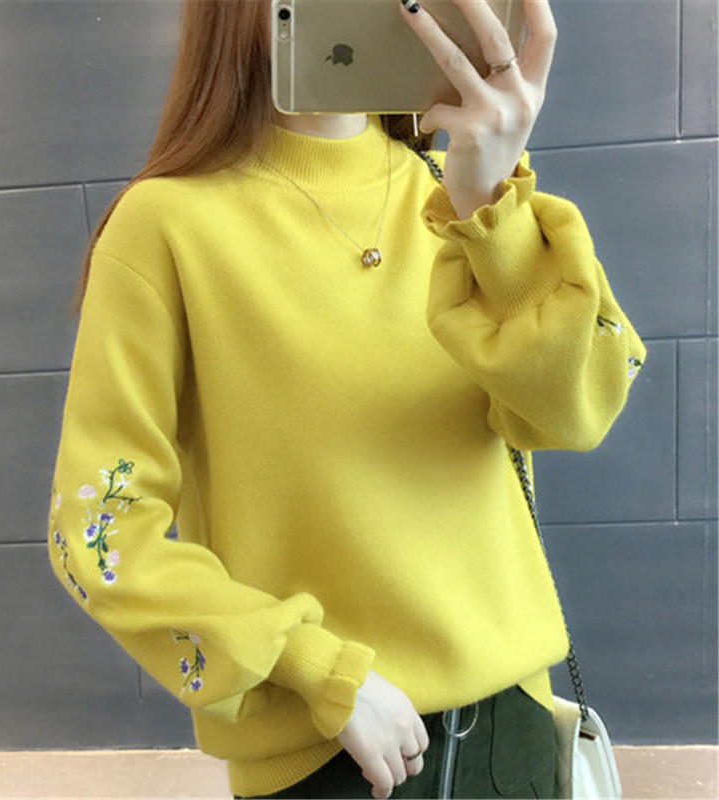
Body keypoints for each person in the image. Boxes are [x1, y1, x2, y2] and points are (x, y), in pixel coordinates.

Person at [46, 0, 646, 797]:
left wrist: (492, 206)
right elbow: (98, 527)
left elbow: (582, 410)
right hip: (331, 754)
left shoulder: (465, 194)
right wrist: (317, 669)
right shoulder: (165, 225)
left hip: (515, 737)